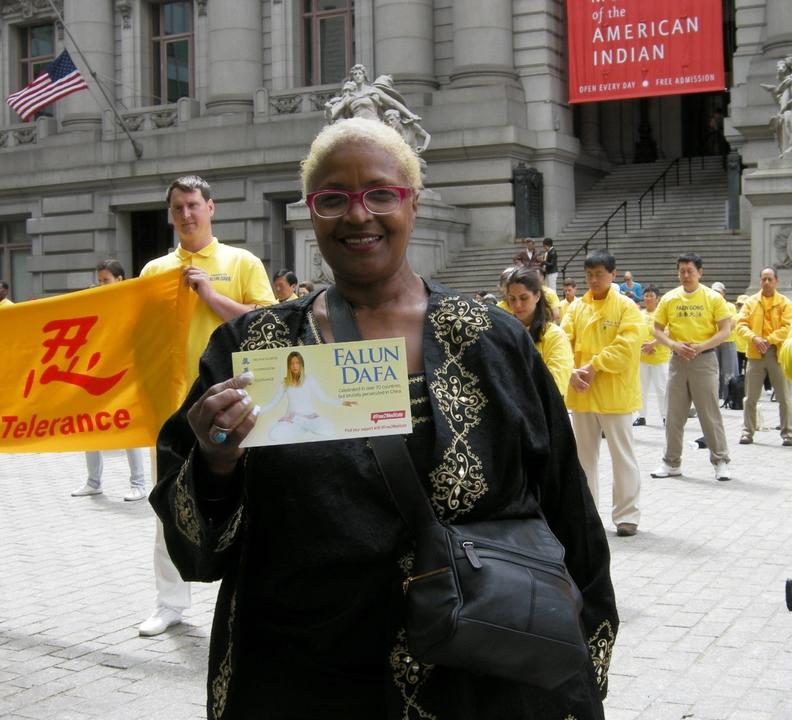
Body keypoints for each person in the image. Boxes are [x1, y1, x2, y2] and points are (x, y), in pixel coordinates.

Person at [149, 118, 617, 720]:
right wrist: (215, 460)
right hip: (302, 673)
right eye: (332, 198)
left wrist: (581, 662)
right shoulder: (255, 347)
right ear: (312, 212)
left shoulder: (492, 342)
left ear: (412, 204)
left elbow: (567, 510)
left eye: (379, 194)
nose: (357, 214)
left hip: (479, 674)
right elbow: (197, 547)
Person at [137, 175, 276, 638]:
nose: (186, 214)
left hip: (235, 402)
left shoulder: (241, 262)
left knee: (248, 498)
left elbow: (267, 323)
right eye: (178, 207)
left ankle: (248, 597)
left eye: (193, 205)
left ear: (210, 208)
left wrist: (212, 297)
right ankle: (169, 602)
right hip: (171, 407)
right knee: (168, 504)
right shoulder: (154, 270)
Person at [561, 249, 643, 537]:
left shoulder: (626, 307)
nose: (593, 280)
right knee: (584, 458)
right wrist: (571, 371)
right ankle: (588, 514)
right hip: (582, 392)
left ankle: (627, 515)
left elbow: (627, 346)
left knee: (622, 456)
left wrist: (595, 365)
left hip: (614, 394)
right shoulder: (576, 308)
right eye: (589, 275)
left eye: (599, 274)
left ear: (613, 274)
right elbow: (562, 341)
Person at [650, 253, 732, 481]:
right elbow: (656, 328)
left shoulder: (712, 298)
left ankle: (720, 461)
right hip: (678, 361)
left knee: (709, 414)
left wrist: (701, 346)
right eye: (682, 271)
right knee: (673, 415)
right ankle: (671, 462)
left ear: (700, 272)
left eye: (690, 271)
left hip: (704, 360)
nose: (686, 275)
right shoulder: (669, 298)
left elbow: (725, 330)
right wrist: (673, 345)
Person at [70, 260, 147, 502]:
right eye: (99, 280)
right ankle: (93, 482)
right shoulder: (95, 302)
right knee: (88, 425)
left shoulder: (131, 303)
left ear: (120, 279)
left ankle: (138, 484)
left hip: (123, 373)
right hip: (95, 372)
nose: (102, 284)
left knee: (128, 427)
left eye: (106, 280)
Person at [735, 267, 792, 446]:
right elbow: (740, 324)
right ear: (760, 281)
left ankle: (788, 433)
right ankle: (747, 432)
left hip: (776, 353)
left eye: (770, 279)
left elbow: (787, 326)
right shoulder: (750, 302)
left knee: (784, 397)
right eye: (763, 279)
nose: (766, 282)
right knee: (750, 397)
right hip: (755, 353)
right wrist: (754, 338)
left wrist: (769, 339)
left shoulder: (785, 303)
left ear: (776, 281)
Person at [505, 266, 573, 396]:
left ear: (537, 296)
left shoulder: (555, 336)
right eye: (512, 299)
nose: (517, 305)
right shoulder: (504, 333)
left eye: (524, 298)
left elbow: (554, 387)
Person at [262, 350, 356, 443]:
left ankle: (304, 426)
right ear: (288, 366)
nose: (295, 366)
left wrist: (342, 402)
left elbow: (323, 397)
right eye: (292, 363)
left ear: (301, 364)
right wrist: (258, 410)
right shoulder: (285, 383)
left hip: (310, 417)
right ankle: (303, 427)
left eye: (297, 363)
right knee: (274, 434)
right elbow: (274, 402)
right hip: (292, 419)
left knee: (330, 429)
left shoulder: (309, 379)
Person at [633, 284, 670, 427]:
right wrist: (643, 346)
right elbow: (635, 332)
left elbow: (667, 332)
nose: (648, 298)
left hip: (659, 357)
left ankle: (666, 416)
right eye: (646, 295)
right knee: (642, 388)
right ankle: (641, 416)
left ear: (657, 298)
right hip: (642, 357)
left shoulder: (662, 314)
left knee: (661, 388)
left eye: (651, 296)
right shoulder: (639, 314)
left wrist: (653, 344)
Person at [710, 281, 739, 400]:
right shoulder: (709, 306)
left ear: (723, 293)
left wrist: (720, 333)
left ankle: (729, 395)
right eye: (714, 292)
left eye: (718, 292)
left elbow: (732, 323)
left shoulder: (730, 306)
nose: (716, 294)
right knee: (714, 370)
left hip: (728, 341)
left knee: (729, 370)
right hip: (713, 341)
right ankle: (716, 395)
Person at [735, 293, 750, 374]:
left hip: (749, 348)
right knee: (738, 372)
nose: (741, 307)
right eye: (740, 305)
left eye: (743, 305)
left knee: (749, 372)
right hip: (737, 348)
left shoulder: (753, 317)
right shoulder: (734, 316)